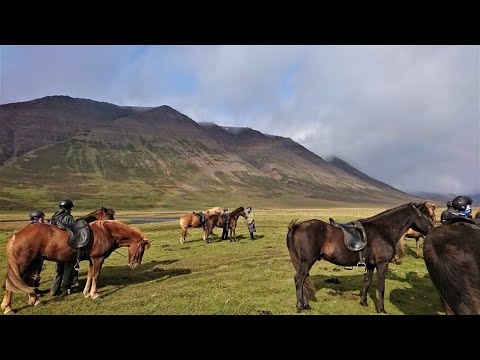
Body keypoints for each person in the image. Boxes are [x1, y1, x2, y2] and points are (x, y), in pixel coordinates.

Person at [50, 199, 76, 296]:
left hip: (56, 246)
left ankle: (54, 289)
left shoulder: (54, 217)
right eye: (71, 208)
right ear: (68, 208)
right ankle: (66, 289)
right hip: (66, 246)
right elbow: (73, 232)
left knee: (58, 269)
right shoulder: (68, 217)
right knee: (69, 266)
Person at [27, 210, 49, 295]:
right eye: (42, 217)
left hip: (35, 254)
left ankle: (35, 289)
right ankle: (33, 291)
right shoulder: (36, 228)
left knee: (35, 272)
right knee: (33, 273)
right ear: (36, 218)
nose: (43, 219)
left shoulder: (30, 226)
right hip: (35, 254)